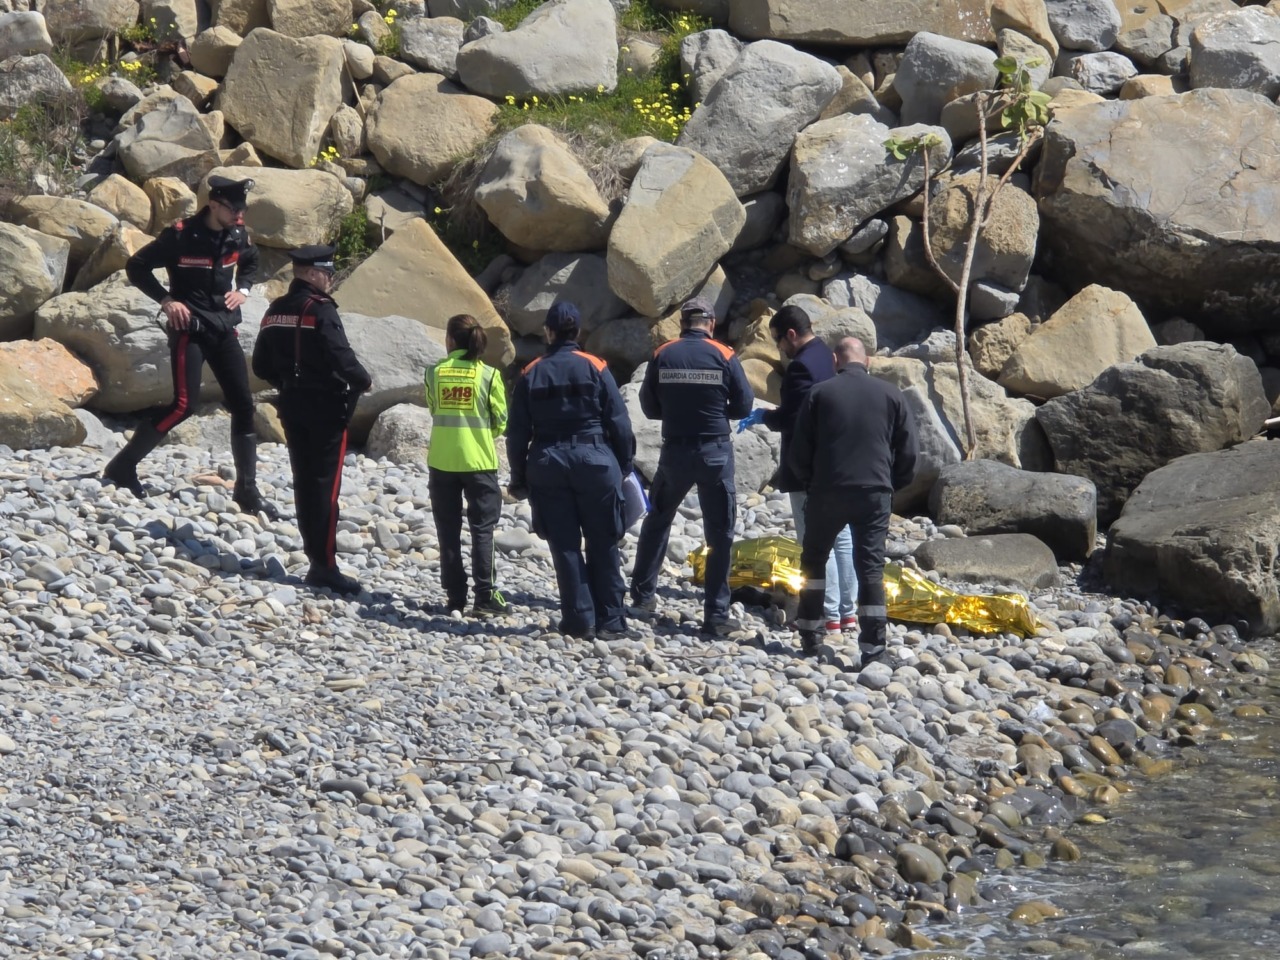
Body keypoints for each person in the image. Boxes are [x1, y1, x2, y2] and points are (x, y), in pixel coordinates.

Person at [104, 175, 277, 518]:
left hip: (224, 328)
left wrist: (243, 288)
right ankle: (122, 467)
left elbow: (252, 262)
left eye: (243, 208)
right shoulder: (181, 235)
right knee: (184, 405)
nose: (239, 215)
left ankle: (247, 490)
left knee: (244, 406)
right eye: (233, 208)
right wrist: (167, 300)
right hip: (190, 330)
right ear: (213, 205)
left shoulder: (237, 234)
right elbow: (136, 266)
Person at [506, 302, 635, 640]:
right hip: (595, 459)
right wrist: (624, 466)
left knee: (564, 544)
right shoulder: (595, 366)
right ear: (577, 332)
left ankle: (580, 620)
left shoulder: (531, 371)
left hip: (548, 461)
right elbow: (619, 423)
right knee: (604, 540)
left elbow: (517, 433)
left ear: (548, 332)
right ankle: (612, 621)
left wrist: (519, 479)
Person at [250, 244, 372, 596]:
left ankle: (315, 558)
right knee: (325, 486)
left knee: (304, 482)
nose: (330, 280)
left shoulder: (275, 309)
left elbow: (260, 365)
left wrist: (288, 382)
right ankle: (325, 565)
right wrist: (363, 380)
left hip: (291, 402)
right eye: (328, 273)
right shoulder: (320, 310)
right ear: (314, 273)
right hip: (326, 406)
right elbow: (340, 355)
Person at [789, 337, 918, 665]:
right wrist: (892, 485)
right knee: (870, 568)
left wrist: (811, 482)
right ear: (869, 361)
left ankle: (810, 635)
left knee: (815, 559)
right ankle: (873, 648)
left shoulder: (820, 393)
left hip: (827, 491)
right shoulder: (892, 395)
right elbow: (909, 453)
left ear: (835, 360)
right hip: (874, 492)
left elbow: (798, 450)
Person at [630, 296, 754, 636]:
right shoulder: (725, 355)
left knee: (657, 522)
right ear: (711, 324)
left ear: (683, 323)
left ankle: (642, 599)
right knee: (720, 535)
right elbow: (744, 405)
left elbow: (649, 407)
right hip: (715, 452)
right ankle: (715, 615)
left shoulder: (662, 354)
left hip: (675, 453)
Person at [738, 305, 858, 636]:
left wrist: (765, 416)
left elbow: (797, 418)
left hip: (808, 469)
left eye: (778, 341)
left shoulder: (801, 367)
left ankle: (828, 613)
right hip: (835, 464)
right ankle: (849, 613)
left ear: (791, 334)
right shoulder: (825, 355)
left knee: (816, 544)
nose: (779, 349)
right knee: (843, 539)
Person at [424, 314, 509, 616]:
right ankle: (485, 595)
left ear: (449, 340)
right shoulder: (489, 375)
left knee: (447, 529)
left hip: (442, 462)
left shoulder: (434, 373)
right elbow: (500, 421)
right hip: (480, 461)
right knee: (482, 530)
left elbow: (434, 408)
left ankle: (455, 596)